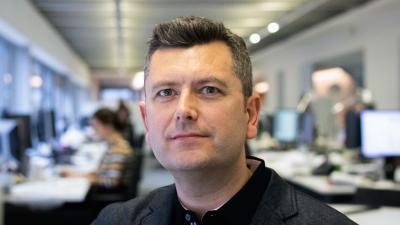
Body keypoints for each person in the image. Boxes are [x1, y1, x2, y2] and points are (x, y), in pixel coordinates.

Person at [92, 16, 356, 225]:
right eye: (166, 92)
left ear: (251, 114)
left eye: (209, 89)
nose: (184, 110)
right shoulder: (114, 220)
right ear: (147, 122)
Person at [62, 108, 133, 189]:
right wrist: (78, 175)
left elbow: (112, 182)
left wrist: (83, 178)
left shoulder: (118, 148)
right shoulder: (113, 145)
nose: (94, 131)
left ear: (108, 126)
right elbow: (102, 174)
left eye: (96, 127)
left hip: (108, 196)